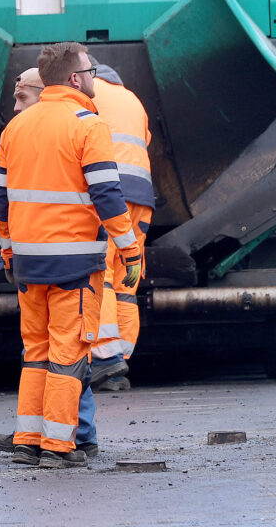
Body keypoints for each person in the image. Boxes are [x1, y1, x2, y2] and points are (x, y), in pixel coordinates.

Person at [0, 41, 141, 469]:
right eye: (90, 71)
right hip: (75, 266)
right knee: (68, 356)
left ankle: (27, 441)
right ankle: (58, 447)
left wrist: (8, 253)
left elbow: (1, 202)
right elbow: (108, 196)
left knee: (36, 353)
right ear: (75, 78)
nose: (94, 77)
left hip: (28, 264)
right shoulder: (88, 126)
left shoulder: (15, 128)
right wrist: (130, 250)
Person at [87, 61, 154, 392]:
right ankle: (120, 360)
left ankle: (105, 359)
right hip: (141, 196)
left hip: (108, 193)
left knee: (101, 274)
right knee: (127, 277)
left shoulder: (86, 94)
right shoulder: (133, 100)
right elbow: (145, 141)